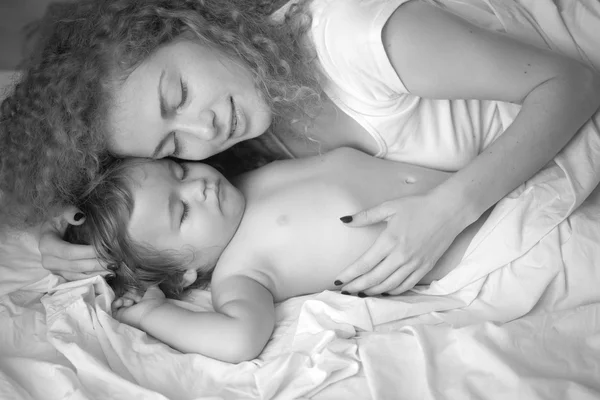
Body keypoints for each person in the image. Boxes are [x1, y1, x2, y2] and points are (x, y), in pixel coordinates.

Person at [1, 0, 599, 296]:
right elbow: (129, 198)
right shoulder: (241, 136)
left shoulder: (354, 37)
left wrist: (446, 212)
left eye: (178, 92)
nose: (203, 131)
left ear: (186, 26)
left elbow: (574, 84)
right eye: (172, 143)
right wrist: (55, 225)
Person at [64, 147, 490, 362]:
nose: (199, 186)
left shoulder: (243, 178)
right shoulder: (241, 274)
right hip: (485, 246)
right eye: (183, 212)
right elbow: (238, 340)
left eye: (179, 171)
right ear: (185, 274)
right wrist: (148, 314)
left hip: (479, 189)